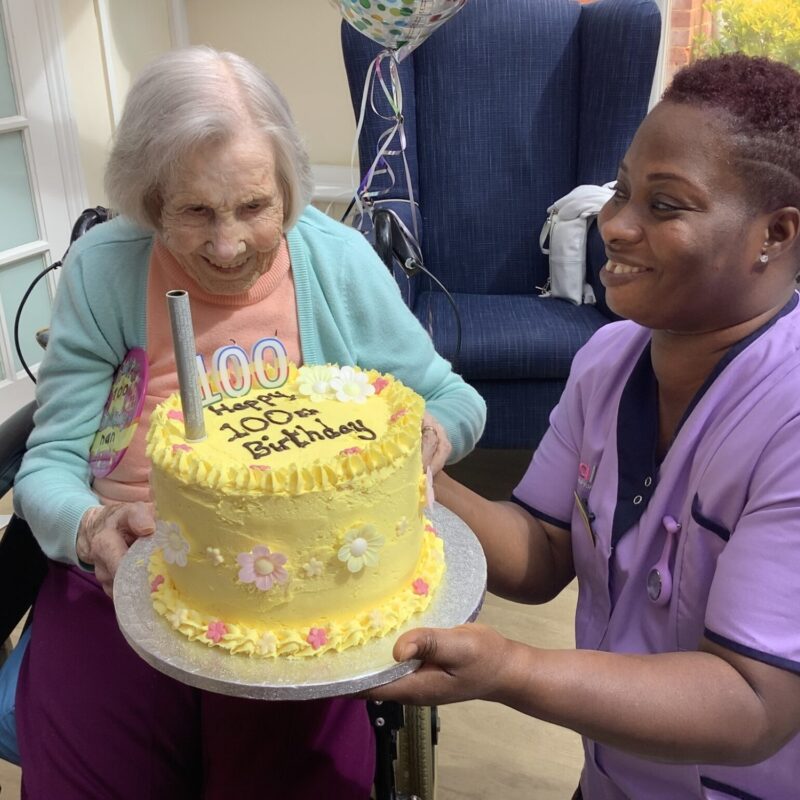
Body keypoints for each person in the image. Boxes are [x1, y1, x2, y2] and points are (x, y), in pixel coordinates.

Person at [11, 46, 486, 799]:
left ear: (287, 189)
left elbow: (452, 398)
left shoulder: (337, 261)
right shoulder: (104, 269)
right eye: (196, 211)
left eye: (255, 207)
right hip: (125, 580)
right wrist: (91, 527)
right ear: (150, 198)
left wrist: (430, 436)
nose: (228, 245)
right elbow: (48, 465)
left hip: (302, 603)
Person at [369, 54, 800, 799]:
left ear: (776, 232)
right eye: (622, 190)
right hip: (611, 775)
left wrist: (510, 670)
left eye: (665, 205)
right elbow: (542, 551)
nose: (616, 225)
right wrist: (403, 476)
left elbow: (751, 702)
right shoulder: (607, 359)